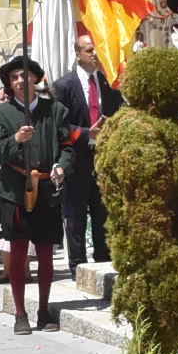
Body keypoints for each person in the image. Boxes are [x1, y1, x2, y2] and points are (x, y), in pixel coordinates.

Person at [0, 54, 65, 334]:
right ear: (9, 83)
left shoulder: (54, 110)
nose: (20, 81)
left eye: (24, 75)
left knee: (45, 253)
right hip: (15, 191)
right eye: (14, 77)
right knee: (18, 253)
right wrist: (15, 140)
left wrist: (61, 166)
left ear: (35, 78)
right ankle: (20, 313)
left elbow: (67, 145)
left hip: (45, 189)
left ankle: (44, 310)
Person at [51, 27, 116, 271]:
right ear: (77, 53)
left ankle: (104, 262)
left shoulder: (106, 82)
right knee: (75, 216)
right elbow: (58, 125)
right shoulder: (63, 86)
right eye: (90, 50)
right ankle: (77, 265)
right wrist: (87, 134)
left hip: (102, 157)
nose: (95, 54)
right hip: (76, 158)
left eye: (97, 49)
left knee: (103, 212)